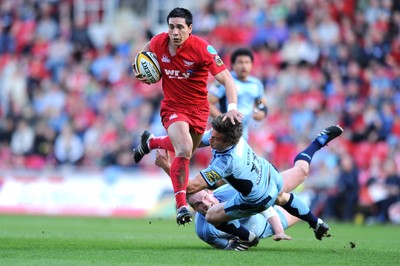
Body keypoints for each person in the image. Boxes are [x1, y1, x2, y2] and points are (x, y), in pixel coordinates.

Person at [132, 7, 243, 225]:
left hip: (199, 111)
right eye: (171, 26)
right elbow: (142, 55)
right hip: (173, 107)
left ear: (189, 29)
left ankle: (151, 141)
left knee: (188, 147)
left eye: (180, 27)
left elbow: (228, 79)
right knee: (183, 149)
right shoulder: (158, 42)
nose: (174, 32)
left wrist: (231, 107)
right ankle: (181, 205)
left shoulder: (202, 48)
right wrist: (139, 71)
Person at [155, 123, 340, 250]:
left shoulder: (223, 169)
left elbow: (189, 186)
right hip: (266, 187)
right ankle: (315, 221)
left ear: (210, 191)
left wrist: (279, 230)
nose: (204, 204)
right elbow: (227, 247)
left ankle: (250, 236)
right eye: (198, 205)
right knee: (300, 173)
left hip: (265, 203)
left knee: (216, 215)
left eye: (203, 198)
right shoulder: (204, 231)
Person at [206, 47, 268, 140]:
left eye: (247, 62)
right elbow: (208, 103)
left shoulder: (256, 84)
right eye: (240, 62)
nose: (244, 66)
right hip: (226, 133)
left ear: (252, 65)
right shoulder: (225, 82)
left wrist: (262, 111)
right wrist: (223, 120)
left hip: (244, 132)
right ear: (233, 65)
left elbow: (260, 101)